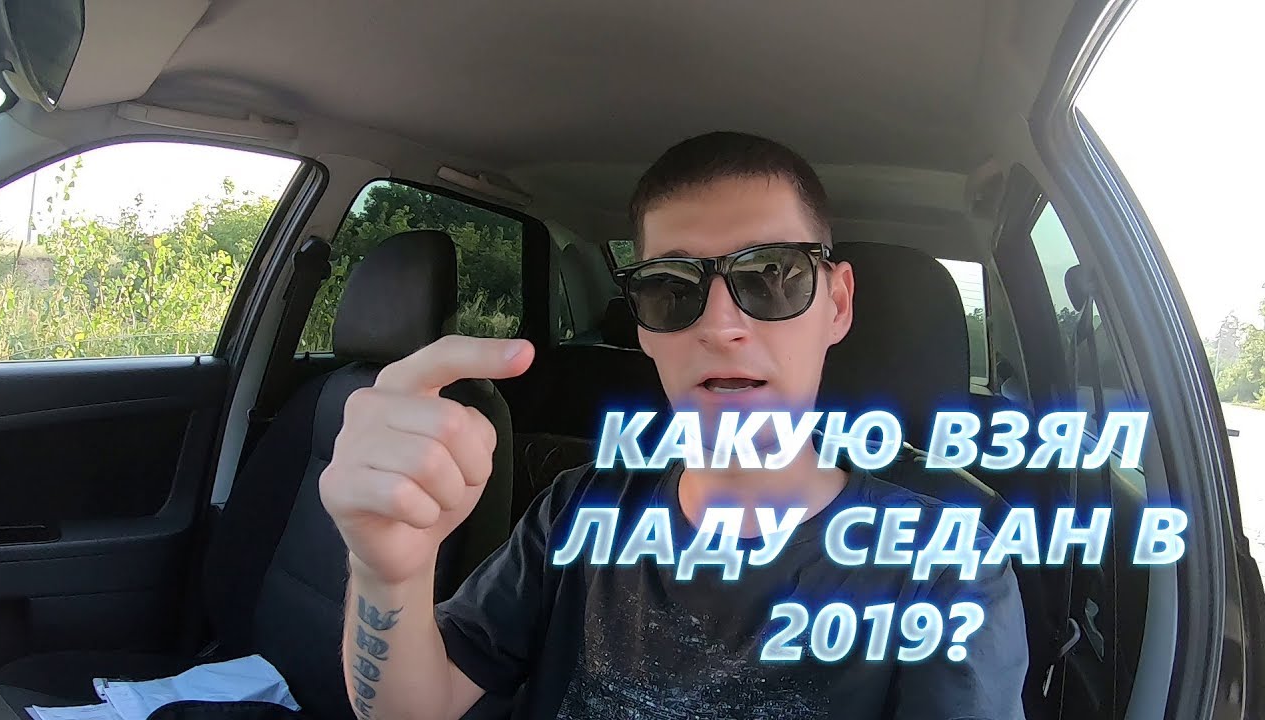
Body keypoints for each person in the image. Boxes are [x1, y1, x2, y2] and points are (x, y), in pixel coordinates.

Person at [320, 131, 1029, 719]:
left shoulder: (947, 568)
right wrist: (387, 574)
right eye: (671, 287)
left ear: (836, 305)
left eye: (772, 275)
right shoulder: (575, 511)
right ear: (643, 328)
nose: (721, 325)